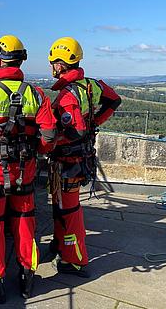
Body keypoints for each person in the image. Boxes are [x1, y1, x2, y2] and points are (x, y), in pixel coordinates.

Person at [0, 35, 56, 303]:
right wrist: (35, 150)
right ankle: (27, 276)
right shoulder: (36, 94)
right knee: (25, 222)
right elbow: (49, 135)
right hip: (25, 170)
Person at [47, 37, 121, 278]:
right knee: (61, 207)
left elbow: (75, 129)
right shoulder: (92, 85)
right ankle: (60, 244)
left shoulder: (68, 94)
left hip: (69, 161)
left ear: (61, 64)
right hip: (82, 157)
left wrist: (53, 140)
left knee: (69, 209)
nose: (52, 67)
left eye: (53, 62)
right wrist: (96, 122)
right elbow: (114, 100)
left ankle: (76, 260)